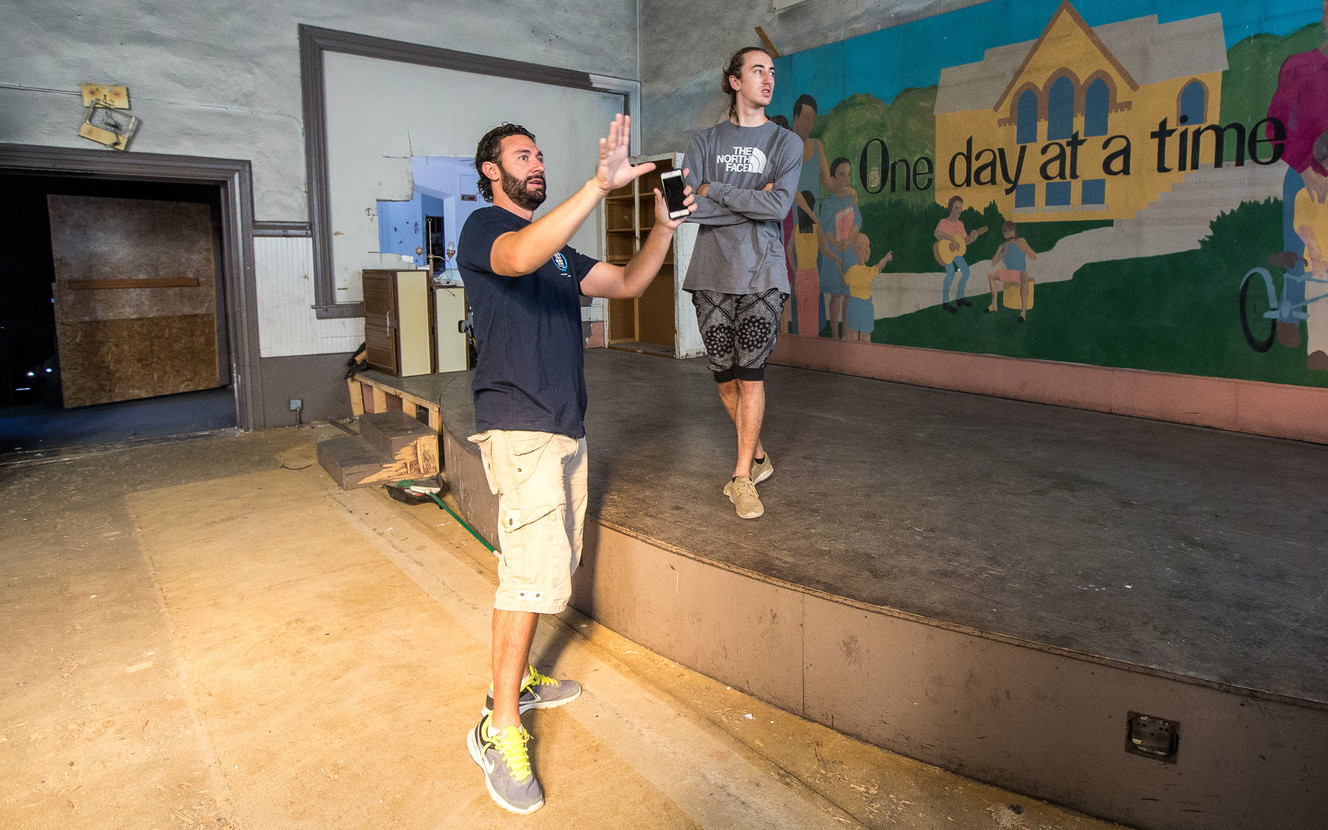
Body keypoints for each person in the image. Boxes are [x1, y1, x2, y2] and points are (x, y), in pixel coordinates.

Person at [457, 115, 693, 814]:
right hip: (520, 425)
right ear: (490, 174)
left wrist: (667, 227)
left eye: (537, 154)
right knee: (528, 580)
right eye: (520, 156)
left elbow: (626, 282)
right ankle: (498, 726)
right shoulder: (484, 230)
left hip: (564, 425)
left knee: (548, 567)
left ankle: (518, 679)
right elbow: (521, 256)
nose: (535, 163)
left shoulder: (561, 253)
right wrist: (598, 183)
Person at [682, 46, 802, 520]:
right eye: (757, 71)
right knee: (724, 378)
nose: (768, 79)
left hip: (764, 272)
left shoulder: (786, 143)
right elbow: (687, 207)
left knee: (751, 377)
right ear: (734, 81)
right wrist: (751, 197)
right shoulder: (703, 140)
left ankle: (740, 478)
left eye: (771, 72)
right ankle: (756, 452)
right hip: (710, 272)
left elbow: (779, 209)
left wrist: (717, 190)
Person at [1267, 2, 1328, 363]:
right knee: (1302, 251)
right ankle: (1289, 315)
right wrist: (1305, 169)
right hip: (1302, 175)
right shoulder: (1300, 66)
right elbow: (1275, 126)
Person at [818, 157, 860, 338]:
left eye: (848, 175)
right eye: (841, 175)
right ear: (833, 179)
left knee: (848, 296)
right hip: (834, 255)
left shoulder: (851, 201)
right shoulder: (828, 203)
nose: (846, 179)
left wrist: (849, 240)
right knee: (836, 295)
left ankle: (845, 336)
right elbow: (825, 232)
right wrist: (837, 244)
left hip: (849, 253)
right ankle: (834, 335)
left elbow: (857, 222)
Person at [934, 195, 986, 312]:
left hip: (956, 253)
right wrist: (951, 239)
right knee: (951, 274)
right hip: (945, 252)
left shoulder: (960, 224)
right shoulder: (944, 222)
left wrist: (974, 237)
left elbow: (964, 241)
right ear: (951, 208)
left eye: (960, 209)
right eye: (957, 208)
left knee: (966, 272)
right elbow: (937, 234)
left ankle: (960, 298)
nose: (959, 211)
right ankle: (946, 302)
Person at [840, 232, 892, 341]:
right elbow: (879, 266)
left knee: (853, 334)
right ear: (864, 249)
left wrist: (839, 267)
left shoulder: (852, 270)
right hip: (865, 306)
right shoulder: (868, 272)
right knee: (866, 335)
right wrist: (886, 258)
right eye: (868, 246)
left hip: (853, 304)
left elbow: (844, 280)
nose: (869, 249)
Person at [987, 220, 1037, 323]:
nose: (1006, 234)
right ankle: (994, 305)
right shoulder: (1003, 246)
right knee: (991, 275)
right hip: (1009, 273)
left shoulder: (1021, 241)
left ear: (1013, 231)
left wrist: (1023, 248)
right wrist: (1003, 252)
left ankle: (1023, 313)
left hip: (1019, 274)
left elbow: (1034, 256)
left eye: (1007, 232)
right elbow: (993, 262)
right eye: (1004, 233)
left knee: (1024, 275)